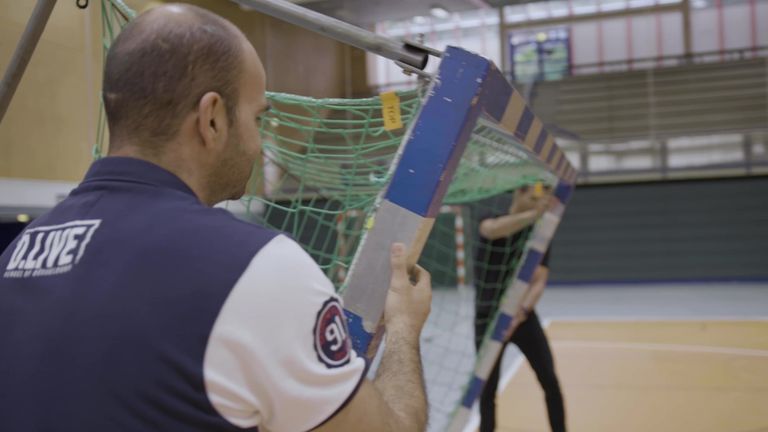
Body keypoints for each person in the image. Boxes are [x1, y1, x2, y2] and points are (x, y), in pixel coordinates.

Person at [0, 5, 431, 432]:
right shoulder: (258, 268)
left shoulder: (17, 255)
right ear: (212, 118)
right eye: (257, 117)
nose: (259, 142)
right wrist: (404, 329)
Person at [473, 182, 566, 432]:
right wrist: (536, 214)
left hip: (522, 318)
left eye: (545, 199)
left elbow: (539, 280)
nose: (541, 203)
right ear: (520, 193)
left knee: (550, 380)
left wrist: (521, 312)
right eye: (537, 197)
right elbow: (492, 231)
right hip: (488, 319)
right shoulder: (491, 219)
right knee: (487, 390)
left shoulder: (538, 235)